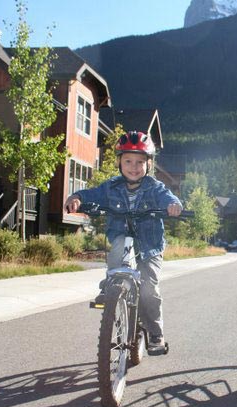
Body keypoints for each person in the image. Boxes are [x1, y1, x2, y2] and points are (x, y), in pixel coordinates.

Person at [65, 131, 183, 353]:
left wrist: (174, 206)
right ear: (119, 162)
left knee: (149, 289)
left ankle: (155, 334)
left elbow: (169, 197)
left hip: (149, 247)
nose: (134, 166)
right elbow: (92, 194)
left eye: (140, 162)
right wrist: (77, 198)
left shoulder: (154, 187)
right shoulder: (111, 187)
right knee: (118, 247)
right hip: (122, 237)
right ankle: (112, 285)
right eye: (128, 160)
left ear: (148, 164)